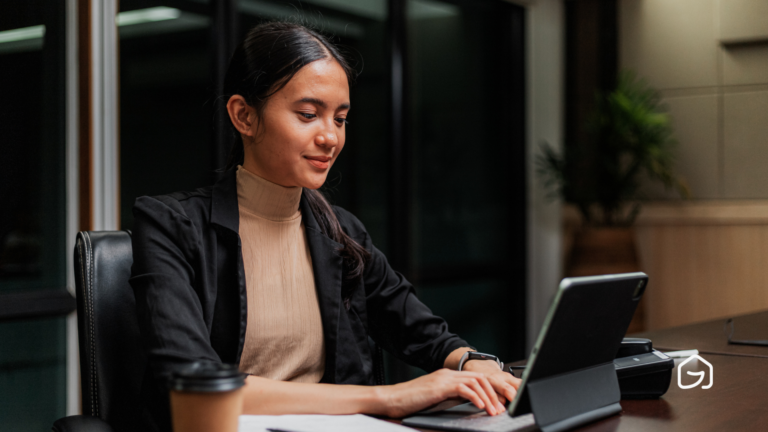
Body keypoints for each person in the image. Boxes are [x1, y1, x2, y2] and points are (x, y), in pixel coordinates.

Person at [130, 21, 520, 432]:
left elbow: (421, 332)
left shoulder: (341, 231)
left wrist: (471, 362)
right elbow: (199, 385)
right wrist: (388, 398)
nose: (330, 137)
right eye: (309, 115)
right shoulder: (170, 225)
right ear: (243, 115)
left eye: (340, 119)